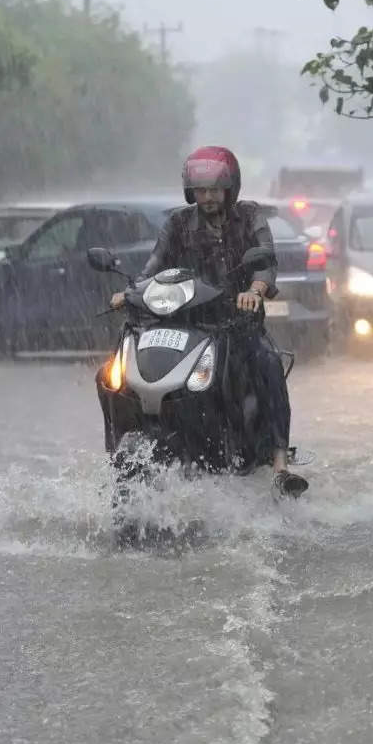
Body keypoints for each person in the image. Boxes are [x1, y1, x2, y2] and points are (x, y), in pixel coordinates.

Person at [111, 145, 309, 498]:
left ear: (230, 189)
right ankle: (123, 444)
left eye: (215, 190)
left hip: (237, 325)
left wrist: (256, 290)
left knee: (268, 364)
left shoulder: (249, 217)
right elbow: (153, 266)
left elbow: (266, 260)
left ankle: (280, 464)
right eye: (200, 191)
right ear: (191, 192)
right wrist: (130, 292)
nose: (207, 197)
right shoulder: (177, 223)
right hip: (188, 324)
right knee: (115, 372)